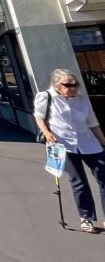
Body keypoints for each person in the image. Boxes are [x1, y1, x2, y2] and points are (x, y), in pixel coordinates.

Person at [35, 68, 105, 233]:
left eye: (75, 84)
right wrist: (47, 133)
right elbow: (39, 117)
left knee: (104, 176)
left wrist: (102, 140)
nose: (73, 88)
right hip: (62, 144)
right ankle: (86, 218)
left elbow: (92, 121)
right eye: (68, 85)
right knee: (79, 181)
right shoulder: (46, 97)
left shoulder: (82, 99)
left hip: (88, 143)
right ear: (57, 85)